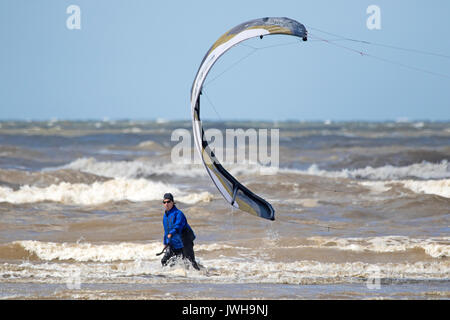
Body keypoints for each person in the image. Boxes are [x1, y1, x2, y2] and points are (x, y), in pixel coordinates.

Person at [161, 193, 200, 270]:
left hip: (185, 240)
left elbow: (178, 226)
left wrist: (171, 233)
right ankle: (172, 277)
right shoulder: (165, 216)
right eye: (164, 202)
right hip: (174, 242)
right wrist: (165, 243)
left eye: (168, 202)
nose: (166, 204)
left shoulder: (179, 213)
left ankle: (202, 276)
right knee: (165, 261)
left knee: (190, 262)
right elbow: (166, 231)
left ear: (172, 202)